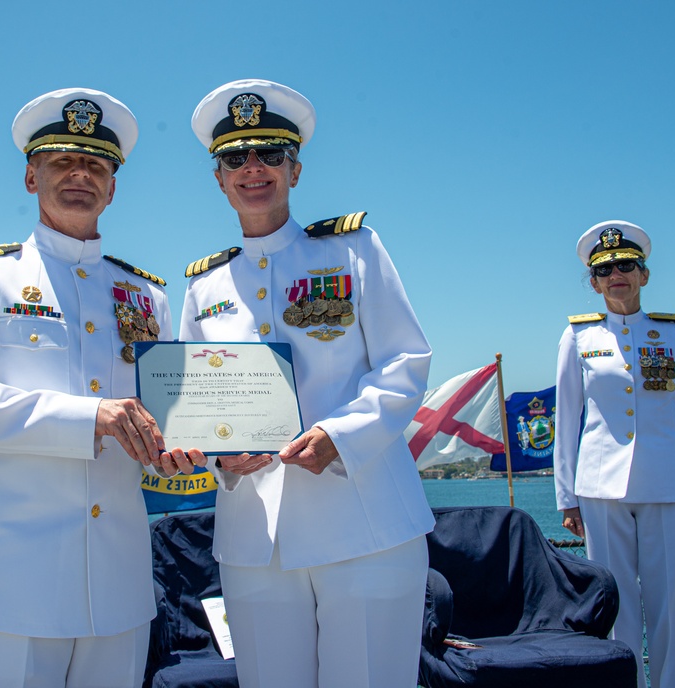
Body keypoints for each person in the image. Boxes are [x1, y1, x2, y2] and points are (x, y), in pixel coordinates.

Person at [166, 79, 435, 687]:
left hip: (364, 522)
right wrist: (217, 454)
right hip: (254, 537)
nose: (252, 168)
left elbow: (405, 360)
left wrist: (341, 435)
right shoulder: (203, 287)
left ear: (295, 169)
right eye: (236, 157)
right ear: (218, 177)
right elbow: (194, 404)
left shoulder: (352, 250)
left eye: (269, 155)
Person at [0, 87, 176, 688]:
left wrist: (201, 449)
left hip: (117, 584)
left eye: (96, 165)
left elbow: (172, 416)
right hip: (13, 586)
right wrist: (91, 417)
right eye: (63, 161)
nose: (79, 175)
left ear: (113, 187)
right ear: (31, 175)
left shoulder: (146, 297)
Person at [554, 220, 675, 688]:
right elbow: (567, 420)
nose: (615, 275)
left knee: (670, 608)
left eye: (626, 265)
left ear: (644, 274)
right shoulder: (577, 339)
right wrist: (567, 496)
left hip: (670, 486)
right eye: (603, 271)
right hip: (601, 489)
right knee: (615, 605)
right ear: (594, 282)